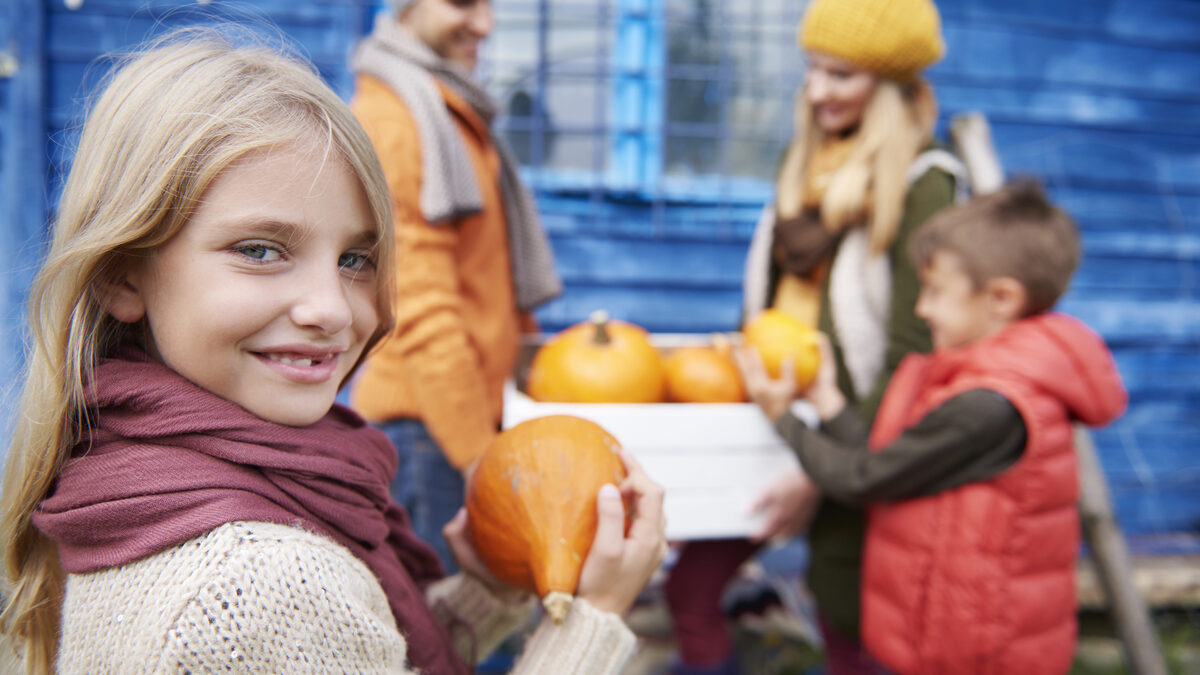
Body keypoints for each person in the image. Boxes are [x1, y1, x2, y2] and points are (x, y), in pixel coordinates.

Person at [0, 31, 666, 675]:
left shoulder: (123, 470)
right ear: (123, 273)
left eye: (356, 259)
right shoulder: (263, 583)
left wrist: (486, 592)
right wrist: (594, 623)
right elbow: (300, 627)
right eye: (260, 250)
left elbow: (357, 647)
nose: (332, 308)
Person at [665, 0, 967, 672]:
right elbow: (776, 302)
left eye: (841, 75)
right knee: (690, 587)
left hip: (855, 435)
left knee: (846, 617)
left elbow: (912, 352)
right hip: (772, 418)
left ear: (889, 84)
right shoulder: (805, 165)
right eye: (811, 70)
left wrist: (820, 468)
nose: (817, 90)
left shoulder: (926, 184)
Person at [736, 181, 1127, 675]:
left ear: (1002, 298)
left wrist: (781, 418)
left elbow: (865, 478)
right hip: (948, 638)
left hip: (976, 655)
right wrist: (830, 402)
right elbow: (895, 459)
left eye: (936, 292)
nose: (921, 309)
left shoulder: (991, 405)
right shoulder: (970, 376)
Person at [347, 0, 561, 573]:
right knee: (454, 640)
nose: (486, 24)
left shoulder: (449, 106)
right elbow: (418, 308)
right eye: (463, 3)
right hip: (431, 436)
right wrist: (480, 459)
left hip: (461, 423)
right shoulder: (397, 120)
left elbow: (485, 273)